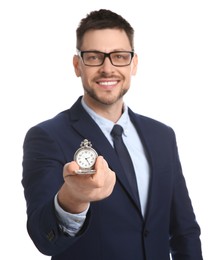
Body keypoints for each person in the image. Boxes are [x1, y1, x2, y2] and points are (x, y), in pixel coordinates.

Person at [22, 9, 203, 260]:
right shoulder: (46, 136)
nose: (108, 69)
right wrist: (73, 199)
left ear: (133, 63)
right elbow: (44, 238)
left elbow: (184, 231)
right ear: (78, 65)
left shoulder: (162, 136)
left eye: (119, 56)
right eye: (94, 57)